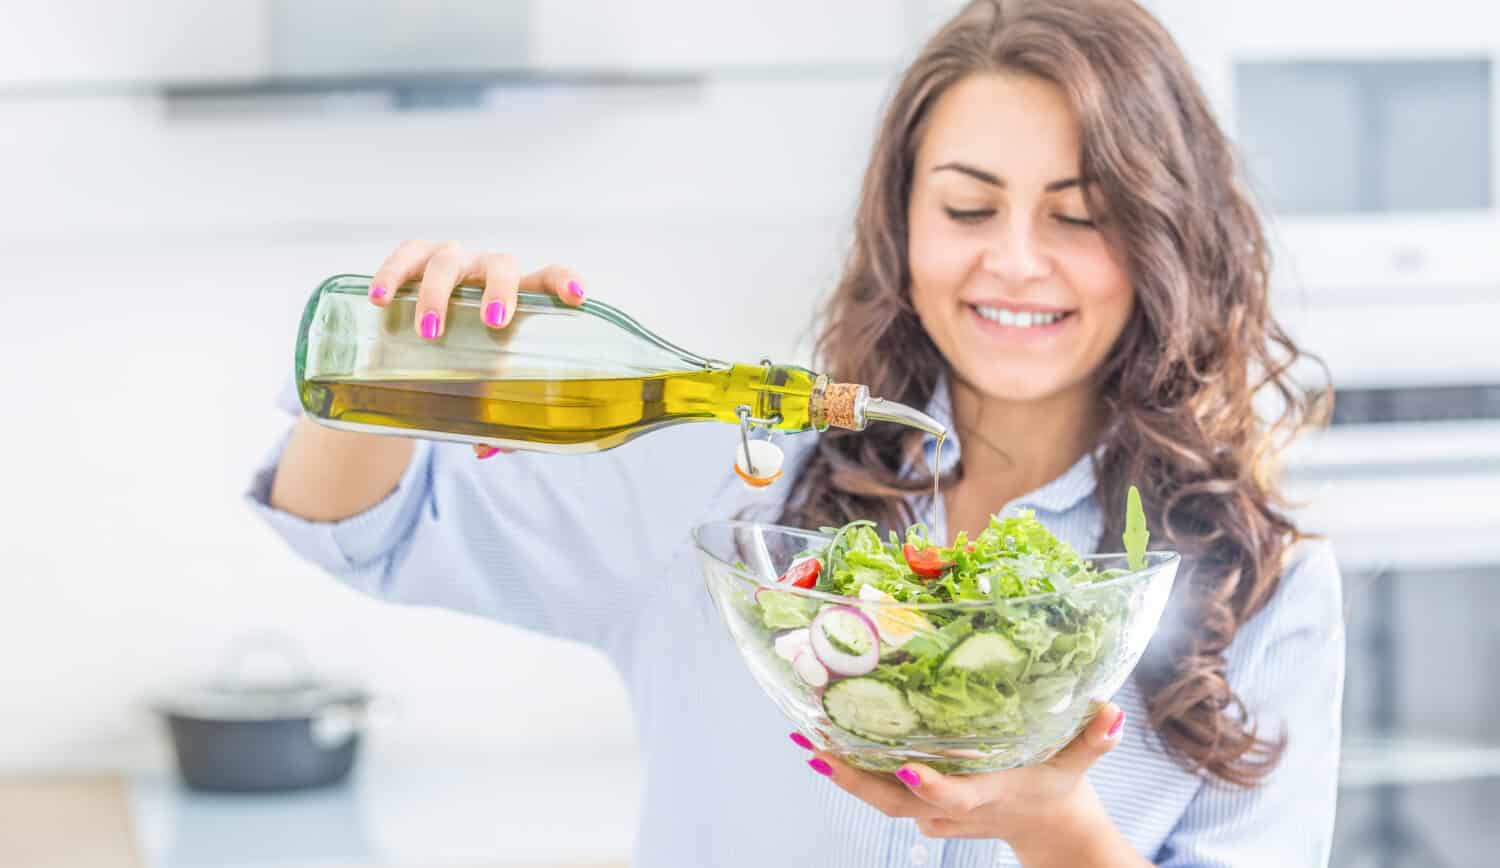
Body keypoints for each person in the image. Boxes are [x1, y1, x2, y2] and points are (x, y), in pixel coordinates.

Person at [248, 1, 1345, 865]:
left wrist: (1057, 829)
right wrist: (387, 369)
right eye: (968, 209)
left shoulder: (1263, 584)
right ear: (902, 224)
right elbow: (360, 528)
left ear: (1166, 236)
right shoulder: (729, 485)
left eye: (1080, 213)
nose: (1014, 259)